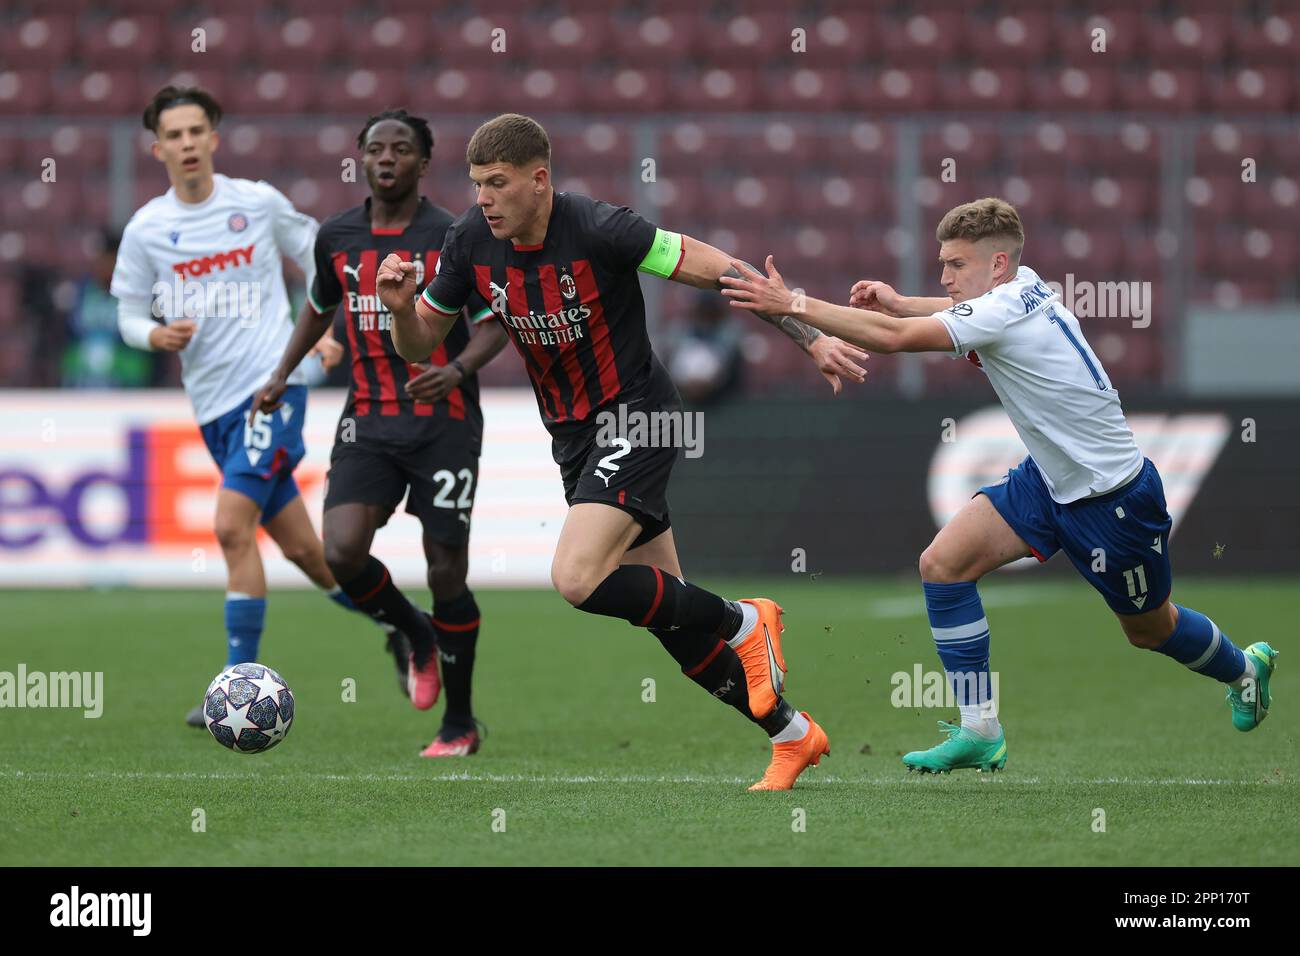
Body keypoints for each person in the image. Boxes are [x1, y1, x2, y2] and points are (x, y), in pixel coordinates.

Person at [377, 113, 871, 790]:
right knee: (673, 622)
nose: (484, 198)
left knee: (577, 578)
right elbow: (419, 342)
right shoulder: (469, 242)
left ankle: (746, 619)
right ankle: (791, 735)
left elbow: (722, 269)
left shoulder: (602, 228)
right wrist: (402, 310)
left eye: (497, 183)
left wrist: (808, 336)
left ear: (539, 180)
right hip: (575, 438)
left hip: (640, 415)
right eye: (477, 184)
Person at [721, 196, 1278, 773]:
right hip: (1047, 479)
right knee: (943, 564)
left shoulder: (1001, 306)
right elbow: (951, 312)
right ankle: (980, 729)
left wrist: (794, 304)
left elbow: (892, 340)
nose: (945, 276)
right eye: (942, 263)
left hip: (1113, 500)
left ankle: (1244, 668)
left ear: (997, 267)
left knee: (1149, 629)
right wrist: (904, 301)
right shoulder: (1024, 285)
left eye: (955, 265)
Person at [111, 86, 381, 726]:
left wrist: (329, 335)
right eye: (173, 135)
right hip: (212, 407)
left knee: (232, 526)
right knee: (307, 554)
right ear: (158, 149)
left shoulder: (255, 204)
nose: (186, 144)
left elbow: (323, 257)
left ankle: (235, 688)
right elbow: (124, 310)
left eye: (196, 131)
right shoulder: (148, 229)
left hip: (273, 388)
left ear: (214, 139)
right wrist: (154, 333)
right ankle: (406, 628)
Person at [255, 109, 508, 756]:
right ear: (360, 159)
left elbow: (492, 324)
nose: (386, 158)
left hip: (444, 422)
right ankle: (412, 631)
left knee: (445, 569)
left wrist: (453, 371)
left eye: (401, 149)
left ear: (424, 163)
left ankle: (460, 724)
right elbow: (318, 306)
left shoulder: (454, 235)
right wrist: (283, 372)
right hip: (367, 419)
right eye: (375, 149)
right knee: (340, 551)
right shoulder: (336, 236)